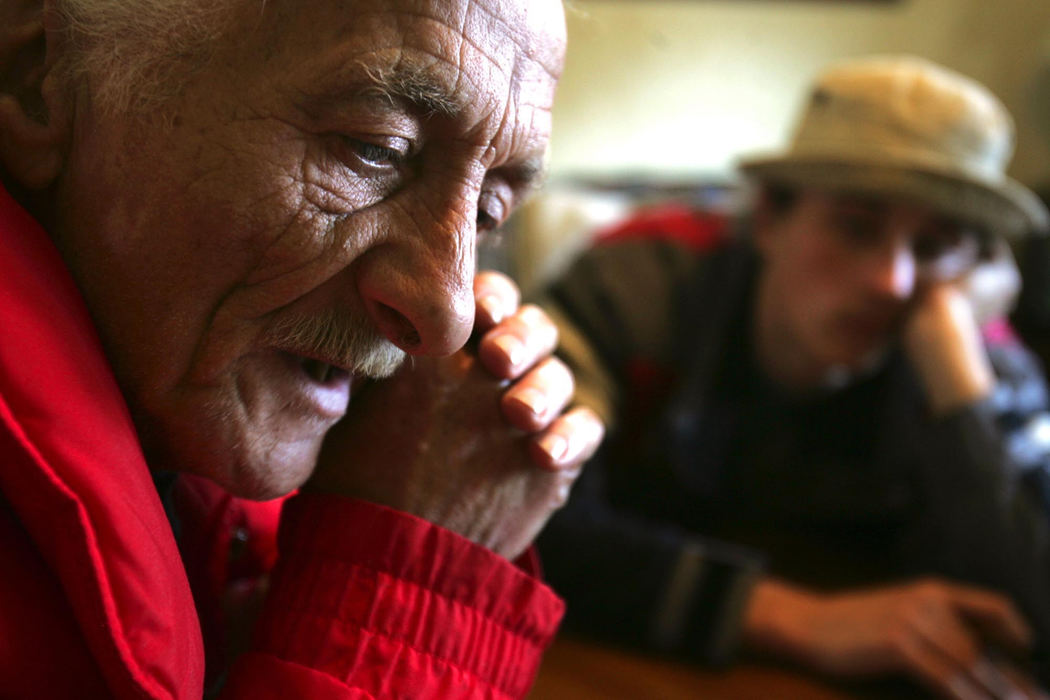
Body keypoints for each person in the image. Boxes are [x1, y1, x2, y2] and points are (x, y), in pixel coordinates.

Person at [0, 0, 605, 697]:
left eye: (488, 210)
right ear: (38, 78)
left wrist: (280, 615)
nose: (448, 314)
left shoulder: (183, 398)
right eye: (375, 146)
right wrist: (396, 596)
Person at [536, 55, 1050, 697]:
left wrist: (956, 387)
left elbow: (1032, 610)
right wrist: (794, 617)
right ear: (770, 218)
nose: (893, 282)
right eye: (856, 227)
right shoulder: (639, 285)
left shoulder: (974, 357)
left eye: (934, 247)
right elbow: (521, 513)